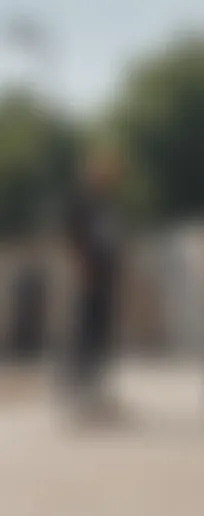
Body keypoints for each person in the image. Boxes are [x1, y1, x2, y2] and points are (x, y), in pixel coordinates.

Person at [62, 148, 125, 420]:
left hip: (107, 278)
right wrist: (81, 271)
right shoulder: (80, 203)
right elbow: (71, 240)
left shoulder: (107, 203)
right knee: (84, 336)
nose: (106, 176)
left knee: (102, 336)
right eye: (101, 171)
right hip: (89, 279)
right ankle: (79, 395)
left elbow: (114, 239)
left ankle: (97, 393)